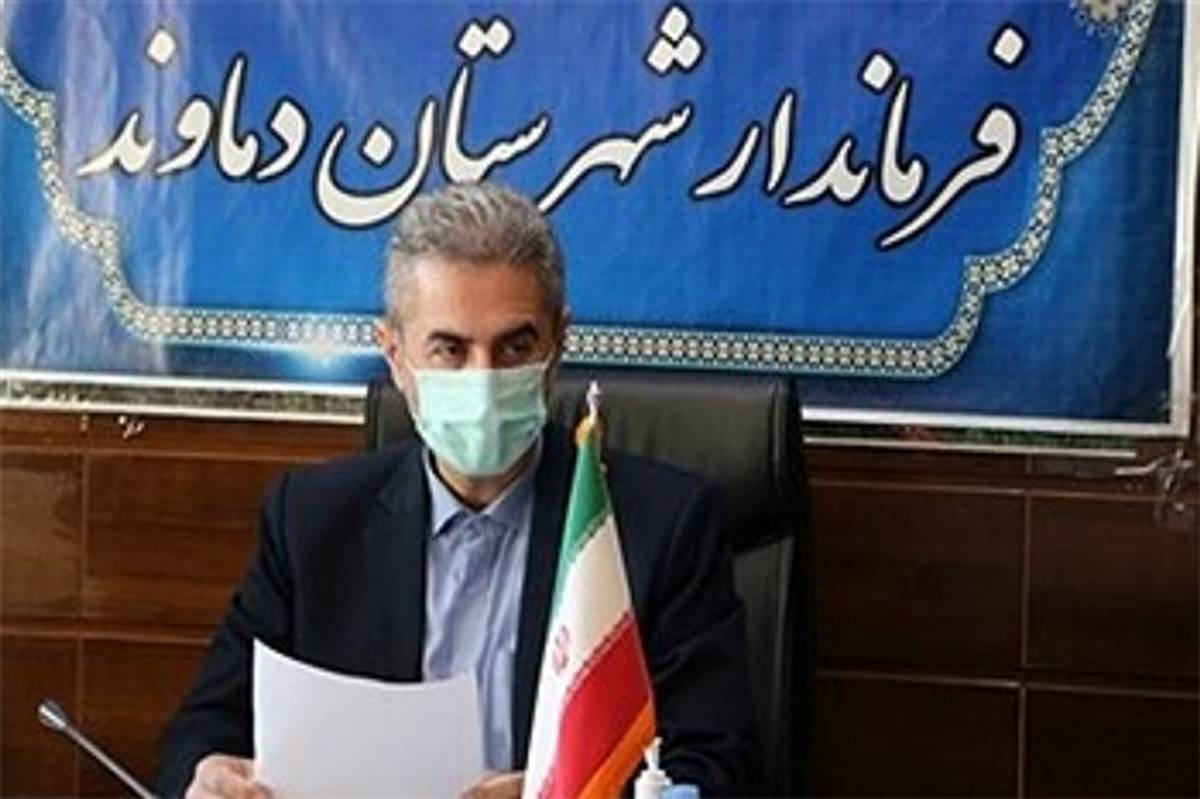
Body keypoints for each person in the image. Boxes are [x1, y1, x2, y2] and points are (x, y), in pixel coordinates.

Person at [154, 183, 758, 798]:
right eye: (450, 349)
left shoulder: (658, 527)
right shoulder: (311, 521)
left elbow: (715, 768)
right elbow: (199, 736)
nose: (484, 379)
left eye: (515, 347)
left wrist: (561, 795)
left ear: (558, 345)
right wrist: (207, 778)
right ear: (394, 355)